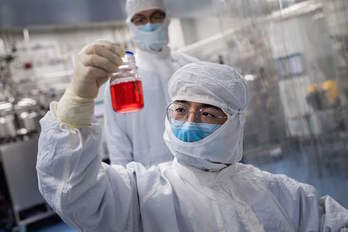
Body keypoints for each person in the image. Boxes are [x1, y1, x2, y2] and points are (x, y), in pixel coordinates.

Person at [37, 62, 348, 231]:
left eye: (208, 112)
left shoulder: (280, 192)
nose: (190, 121)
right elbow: (74, 192)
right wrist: (76, 102)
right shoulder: (140, 192)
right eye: (181, 109)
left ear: (235, 123)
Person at [103, 0, 198, 166]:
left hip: (196, 170)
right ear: (131, 25)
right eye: (140, 19)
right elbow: (117, 139)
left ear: (167, 19)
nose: (149, 25)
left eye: (156, 17)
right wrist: (126, 186)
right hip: (149, 179)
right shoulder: (123, 76)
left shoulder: (192, 68)